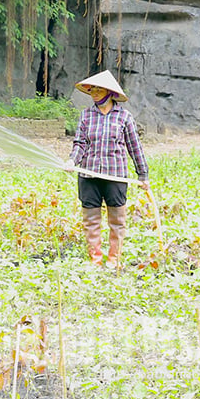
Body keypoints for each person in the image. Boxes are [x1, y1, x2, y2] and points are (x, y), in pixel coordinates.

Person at [67, 70, 149, 267]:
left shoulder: (124, 117)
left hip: (116, 176)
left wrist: (143, 174)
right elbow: (81, 143)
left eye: (99, 89)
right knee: (91, 220)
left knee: (117, 221)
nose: (94, 93)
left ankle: (114, 260)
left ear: (109, 93)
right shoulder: (86, 116)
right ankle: (95, 260)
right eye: (92, 90)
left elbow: (134, 146)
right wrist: (72, 161)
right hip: (89, 174)